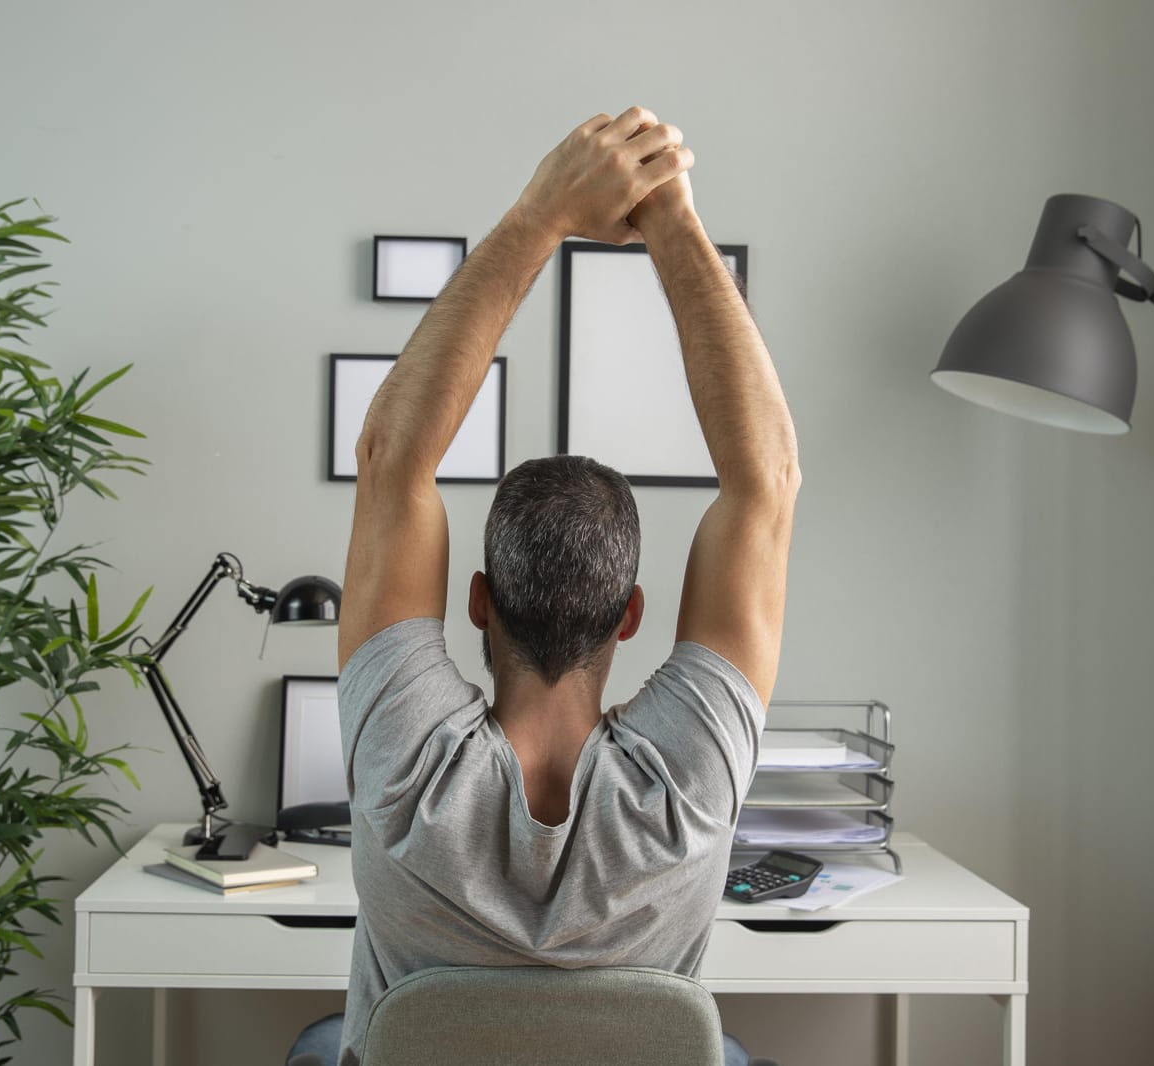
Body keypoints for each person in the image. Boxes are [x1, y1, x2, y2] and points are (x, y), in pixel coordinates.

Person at [288, 107, 801, 1066]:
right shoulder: (687, 788)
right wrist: (674, 221)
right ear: (634, 613)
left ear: (477, 601)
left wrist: (541, 214)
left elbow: (392, 458)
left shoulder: (403, 766)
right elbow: (765, 482)